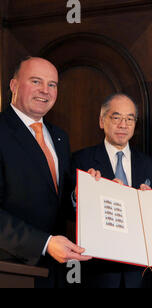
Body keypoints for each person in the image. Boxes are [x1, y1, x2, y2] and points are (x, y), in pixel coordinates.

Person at [0, 57, 94, 288]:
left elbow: (56, 200)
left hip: (56, 270)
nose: (45, 90)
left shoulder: (59, 137)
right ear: (14, 85)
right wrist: (44, 243)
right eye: (36, 81)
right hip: (11, 269)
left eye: (52, 84)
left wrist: (82, 193)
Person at [72, 93, 152, 288]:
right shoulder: (82, 161)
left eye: (129, 119)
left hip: (140, 273)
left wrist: (150, 203)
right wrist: (79, 196)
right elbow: (66, 213)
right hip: (98, 271)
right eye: (116, 117)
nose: (123, 125)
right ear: (102, 121)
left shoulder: (150, 165)